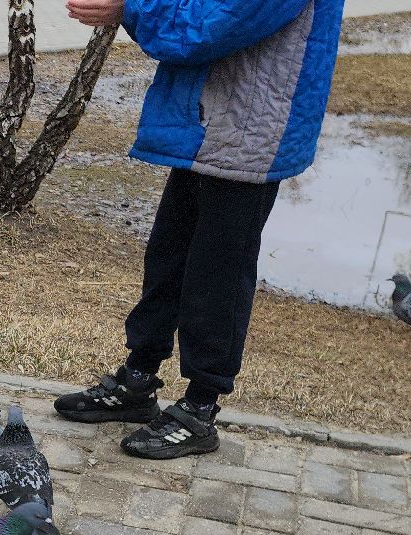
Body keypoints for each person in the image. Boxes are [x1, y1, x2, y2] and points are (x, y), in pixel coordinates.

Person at [54, 0, 343, 458]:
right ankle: (138, 381)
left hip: (250, 128)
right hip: (211, 117)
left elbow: (215, 25)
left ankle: (200, 409)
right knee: (168, 256)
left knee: (218, 276)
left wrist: (132, 9)